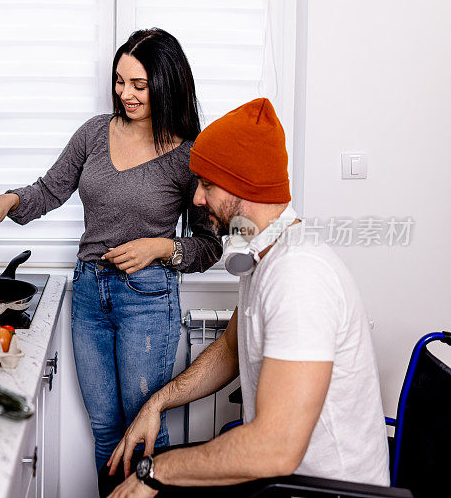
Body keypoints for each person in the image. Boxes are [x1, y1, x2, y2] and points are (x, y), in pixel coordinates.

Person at [104, 98, 390, 497]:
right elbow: (231, 347)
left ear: (244, 184)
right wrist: (157, 403)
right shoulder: (262, 253)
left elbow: (275, 449)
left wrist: (156, 472)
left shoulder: (299, 275)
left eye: (206, 185)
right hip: (283, 480)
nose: (198, 200)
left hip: (319, 491)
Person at [0, 28, 222, 474]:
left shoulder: (189, 156)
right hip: (89, 294)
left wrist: (160, 247)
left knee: (143, 429)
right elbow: (49, 189)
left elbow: (207, 247)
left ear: (167, 84)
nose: (125, 94)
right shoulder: (93, 134)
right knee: (105, 429)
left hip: (147, 299)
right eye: (120, 81)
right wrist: (7, 201)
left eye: (139, 85)